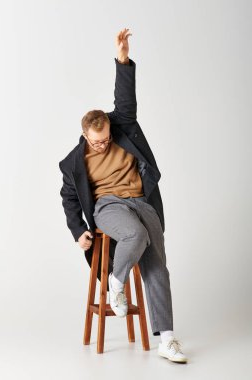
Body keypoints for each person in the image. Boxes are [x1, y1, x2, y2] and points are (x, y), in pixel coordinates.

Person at [59, 28, 188, 363]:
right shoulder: (75, 162)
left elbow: (125, 98)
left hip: (140, 201)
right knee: (136, 235)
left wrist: (122, 58)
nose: (101, 144)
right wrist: (78, 232)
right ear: (85, 134)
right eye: (95, 141)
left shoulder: (122, 126)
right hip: (108, 206)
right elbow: (69, 197)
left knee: (158, 266)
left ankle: (168, 339)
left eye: (104, 139)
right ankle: (116, 284)